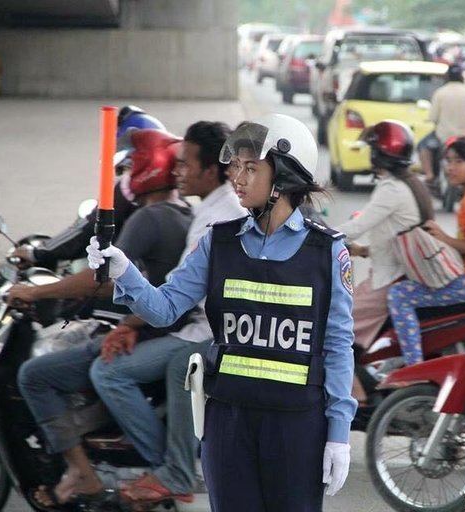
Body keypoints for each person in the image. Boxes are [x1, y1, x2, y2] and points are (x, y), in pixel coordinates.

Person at [86, 113, 356, 511]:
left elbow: (337, 345)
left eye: (252, 167)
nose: (238, 178)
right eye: (236, 166)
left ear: (285, 176)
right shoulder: (219, 243)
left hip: (298, 425)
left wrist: (338, 433)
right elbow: (164, 309)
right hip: (229, 422)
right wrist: (124, 270)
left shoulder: (328, 252)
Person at [10, 129, 192, 508]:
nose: (125, 177)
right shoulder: (184, 214)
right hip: (158, 329)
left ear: (144, 169)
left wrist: (36, 291)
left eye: (130, 167)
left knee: (35, 376)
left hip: (148, 335)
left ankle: (84, 472)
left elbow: (102, 276)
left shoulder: (149, 217)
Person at [88, 121, 247, 506]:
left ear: (212, 169)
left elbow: (178, 297)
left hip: (209, 331)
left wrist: (127, 308)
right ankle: (171, 466)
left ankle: (172, 468)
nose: (177, 171)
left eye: (185, 164)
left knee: (130, 370)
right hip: (201, 323)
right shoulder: (210, 209)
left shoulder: (216, 218)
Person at [388, 136, 465, 365]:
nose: (450, 167)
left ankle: (414, 366)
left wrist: (445, 239)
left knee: (399, 295)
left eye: (458, 162)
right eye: (447, 161)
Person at [334, 120, 430, 405]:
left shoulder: (391, 189)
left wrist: (313, 236)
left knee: (332, 329)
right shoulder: (409, 184)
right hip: (395, 273)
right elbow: (392, 234)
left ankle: (358, 398)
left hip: (389, 281)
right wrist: (363, 251)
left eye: (372, 148)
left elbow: (359, 224)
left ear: (379, 153)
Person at [10, 106, 166, 269]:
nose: (125, 174)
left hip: (130, 281)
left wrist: (37, 252)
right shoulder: (176, 196)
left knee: (78, 271)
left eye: (128, 166)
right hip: (151, 278)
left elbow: (87, 229)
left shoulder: (130, 192)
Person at [418, 64, 465, 182]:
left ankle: (429, 174)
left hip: (443, 136)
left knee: (422, 146)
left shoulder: (440, 92)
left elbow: (432, 117)